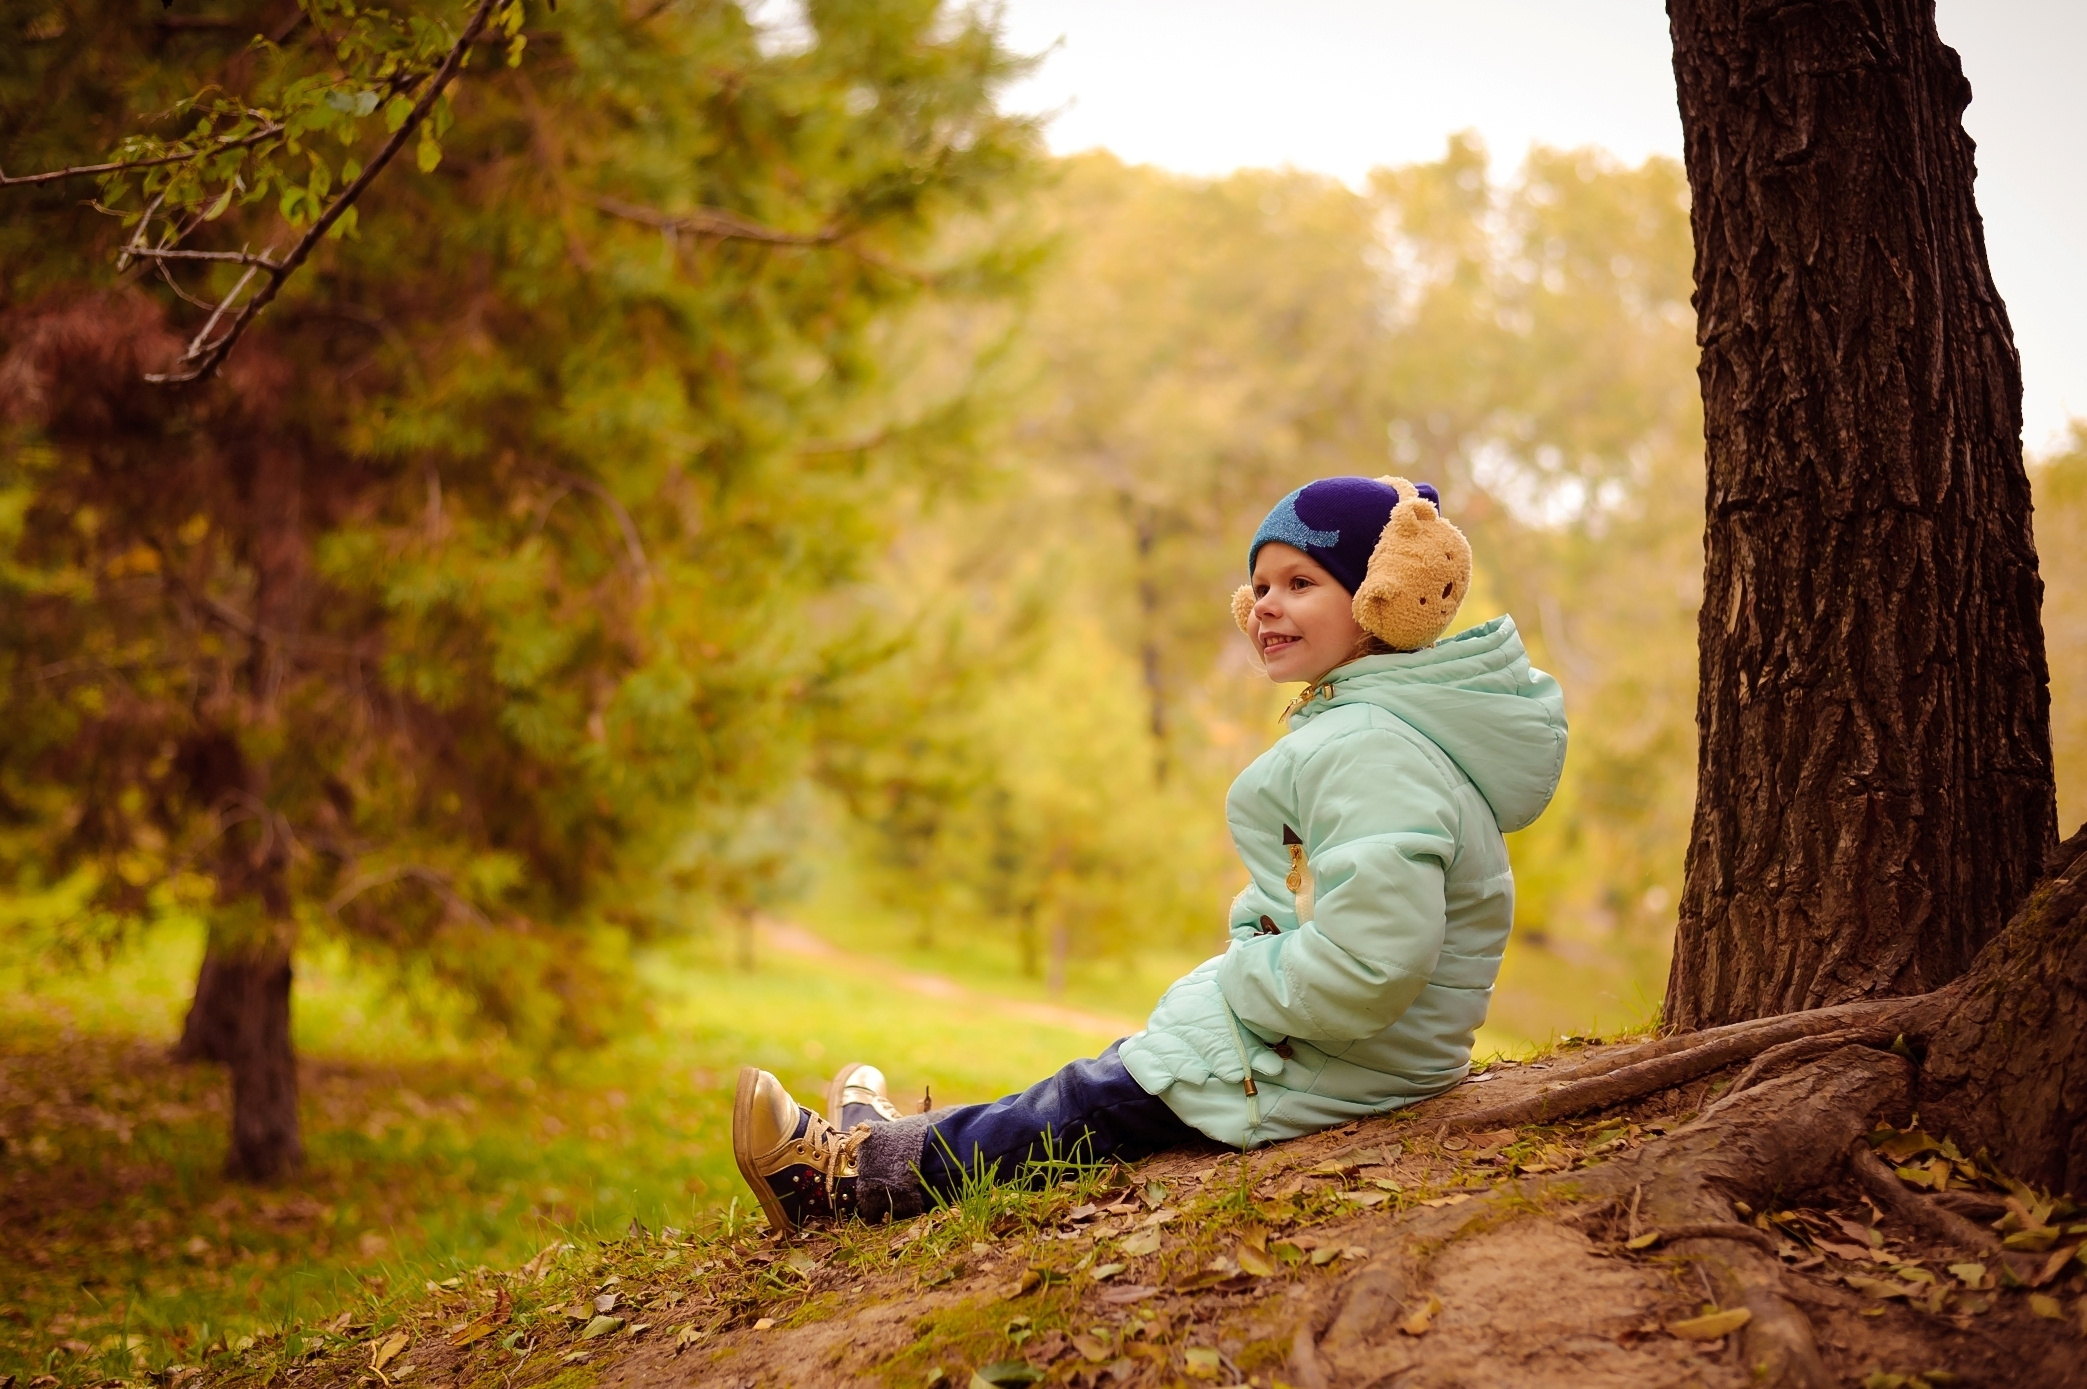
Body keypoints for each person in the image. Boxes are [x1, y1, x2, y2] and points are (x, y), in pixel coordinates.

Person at [730, 475, 1568, 1232]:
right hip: (1344, 1047)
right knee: (1090, 1088)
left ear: (1381, 599)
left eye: (1301, 583)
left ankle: (838, 1182)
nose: (1265, 603)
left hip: (1334, 1060)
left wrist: (1243, 974)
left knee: (1086, 1104)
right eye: (1262, 583)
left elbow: (1373, 964)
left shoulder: (1372, 747)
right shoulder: (1379, 730)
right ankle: (886, 1143)